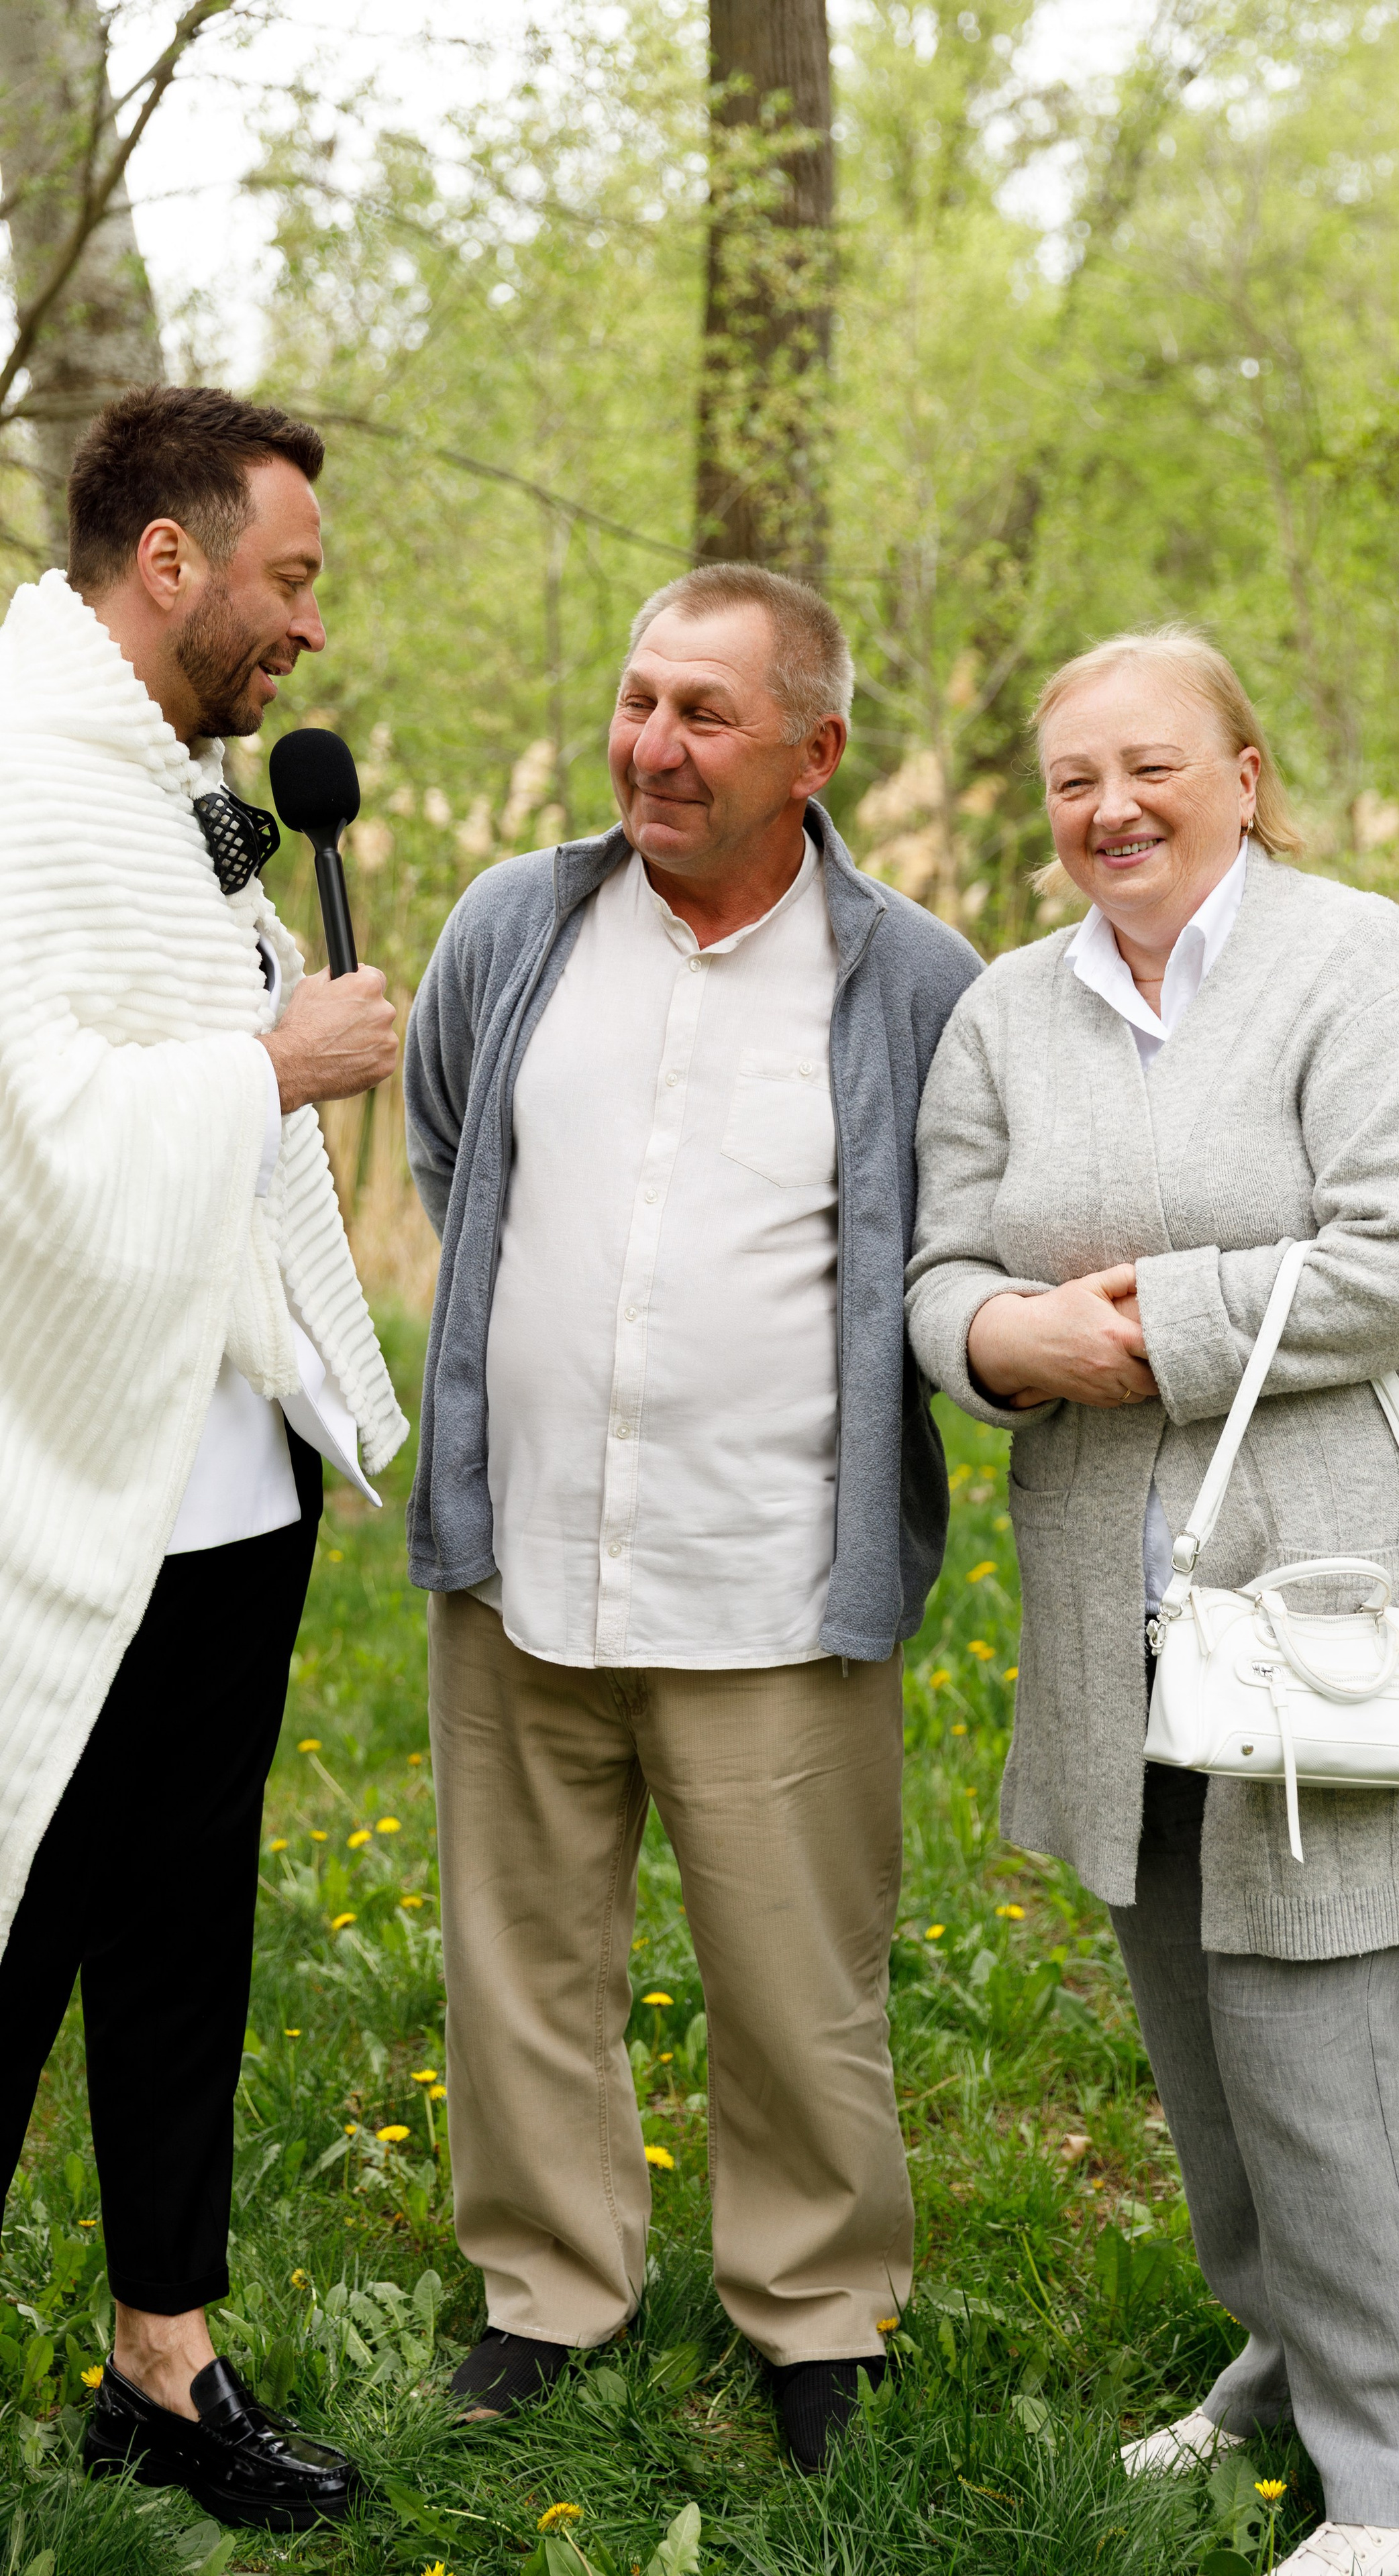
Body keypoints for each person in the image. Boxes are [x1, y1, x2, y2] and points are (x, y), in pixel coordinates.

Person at [904, 627, 1399, 2576]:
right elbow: (937, 1271)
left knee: (1314, 2027)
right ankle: (1294, 2358)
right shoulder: (1010, 1010)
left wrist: (1146, 1328)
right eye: (1077, 778)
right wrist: (1003, 1336)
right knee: (1199, 2025)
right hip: (1125, 1607)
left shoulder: (1356, 962)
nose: (1112, 808)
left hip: (1345, 1586)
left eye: (1154, 767)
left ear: (1246, 774)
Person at [404, 562, 980, 2468]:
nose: (651, 746)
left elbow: (950, 1238)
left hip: (772, 1579)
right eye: (640, 699)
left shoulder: (911, 979)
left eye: (702, 714)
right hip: (526, 1558)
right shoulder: (520, 925)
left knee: (798, 1982)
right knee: (521, 1956)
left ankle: (818, 2314)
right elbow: (445, 1141)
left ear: (815, 752)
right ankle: (547, 2290)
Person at [0, 386, 407, 2531]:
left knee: (184, 1944)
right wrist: (271, 1063)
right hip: (55, 1493)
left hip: (227, 1493)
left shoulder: (174, 788)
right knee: (11, 1949)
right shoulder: (17, 780)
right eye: (291, 577)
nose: (308, 629)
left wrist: (269, 1031)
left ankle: (164, 2362)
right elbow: (29, 1134)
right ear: (171, 559)